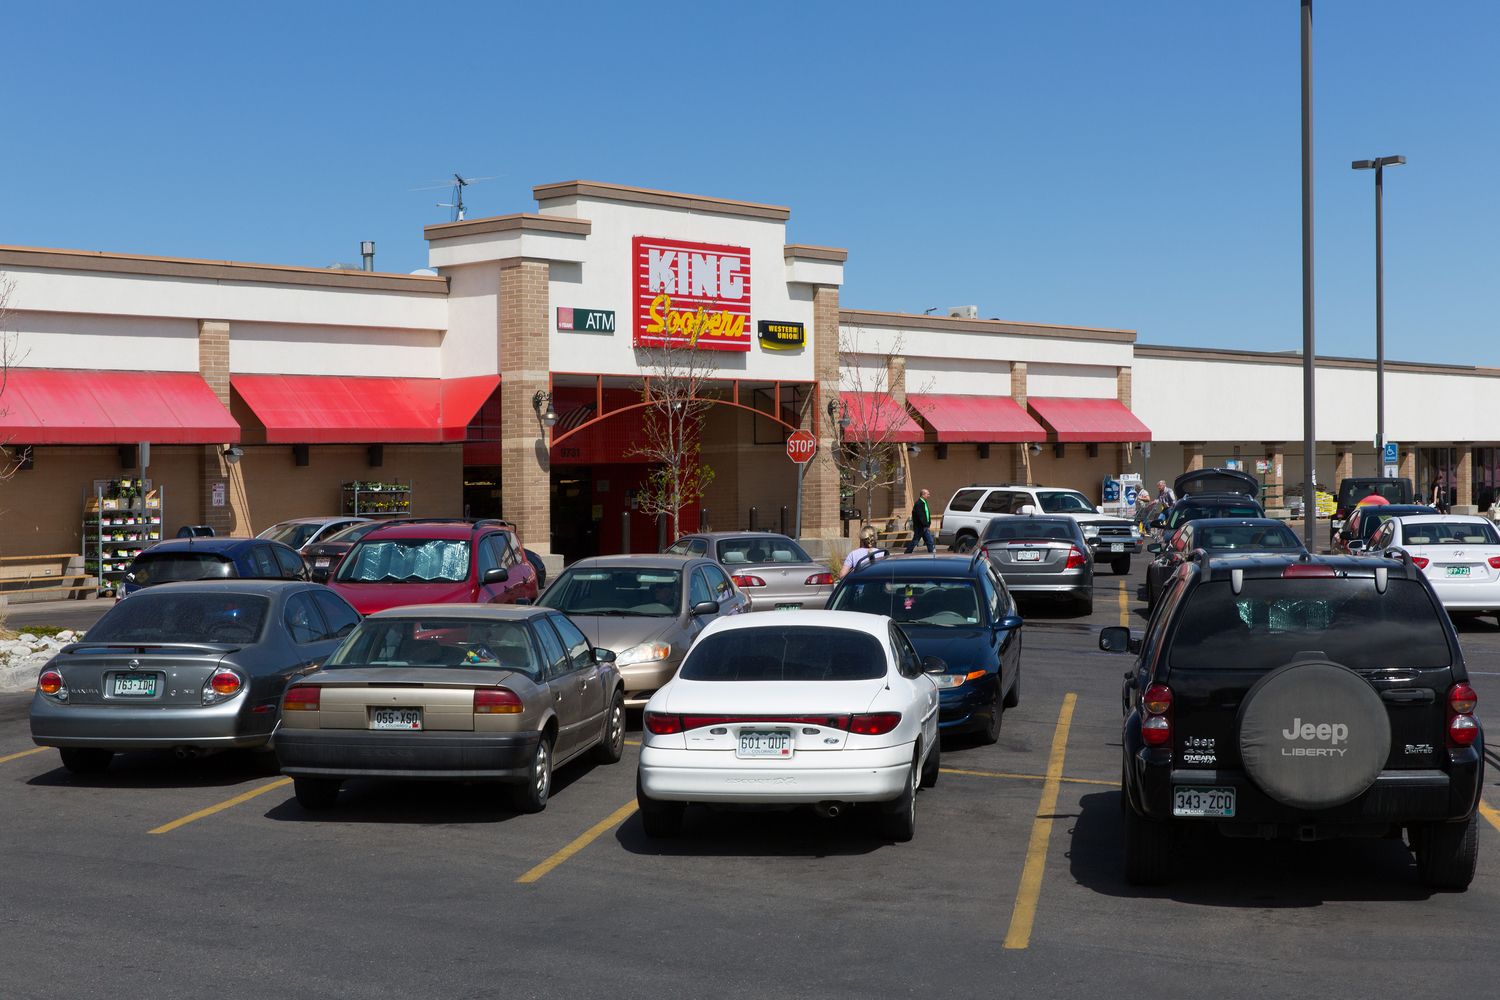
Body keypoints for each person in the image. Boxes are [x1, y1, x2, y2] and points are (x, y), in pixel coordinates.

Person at [905, 488, 935, 554]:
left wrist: (928, 523)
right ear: (923, 494)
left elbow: (927, 514)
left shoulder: (924, 502)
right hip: (920, 527)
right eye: (928, 494)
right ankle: (907, 553)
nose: (929, 495)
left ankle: (932, 554)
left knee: (929, 541)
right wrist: (925, 524)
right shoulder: (919, 503)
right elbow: (920, 516)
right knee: (915, 541)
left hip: (925, 527)